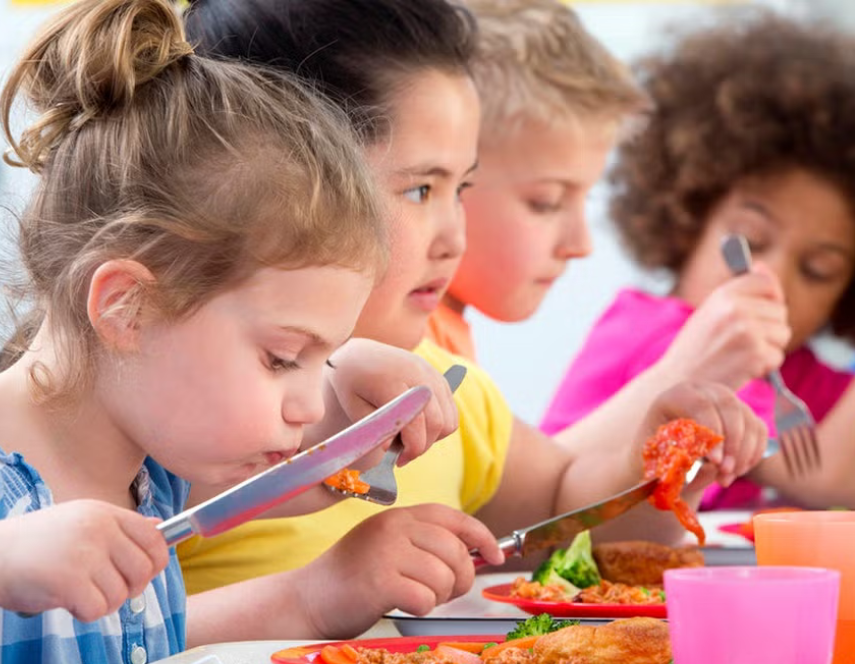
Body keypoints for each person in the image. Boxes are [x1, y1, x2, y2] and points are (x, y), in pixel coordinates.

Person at [0, 0, 505, 664]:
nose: (302, 403)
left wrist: (349, 395)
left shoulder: (151, 476)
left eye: (318, 356)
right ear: (128, 310)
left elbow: (295, 472)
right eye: (280, 357)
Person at [179, 0, 768, 596]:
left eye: (460, 189)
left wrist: (664, 465)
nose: (455, 236)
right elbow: (111, 648)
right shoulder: (192, 410)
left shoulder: (447, 388)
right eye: (419, 190)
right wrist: (316, 595)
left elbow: (569, 525)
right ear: (282, 185)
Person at [540, 11, 855, 510]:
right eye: (750, 239)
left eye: (818, 270)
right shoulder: (661, 331)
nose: (772, 277)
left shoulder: (797, 374)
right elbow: (825, 475)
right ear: (686, 221)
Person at [425, 0, 647, 361]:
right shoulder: (406, 348)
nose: (581, 244)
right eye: (546, 202)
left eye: (585, 198)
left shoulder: (441, 334)